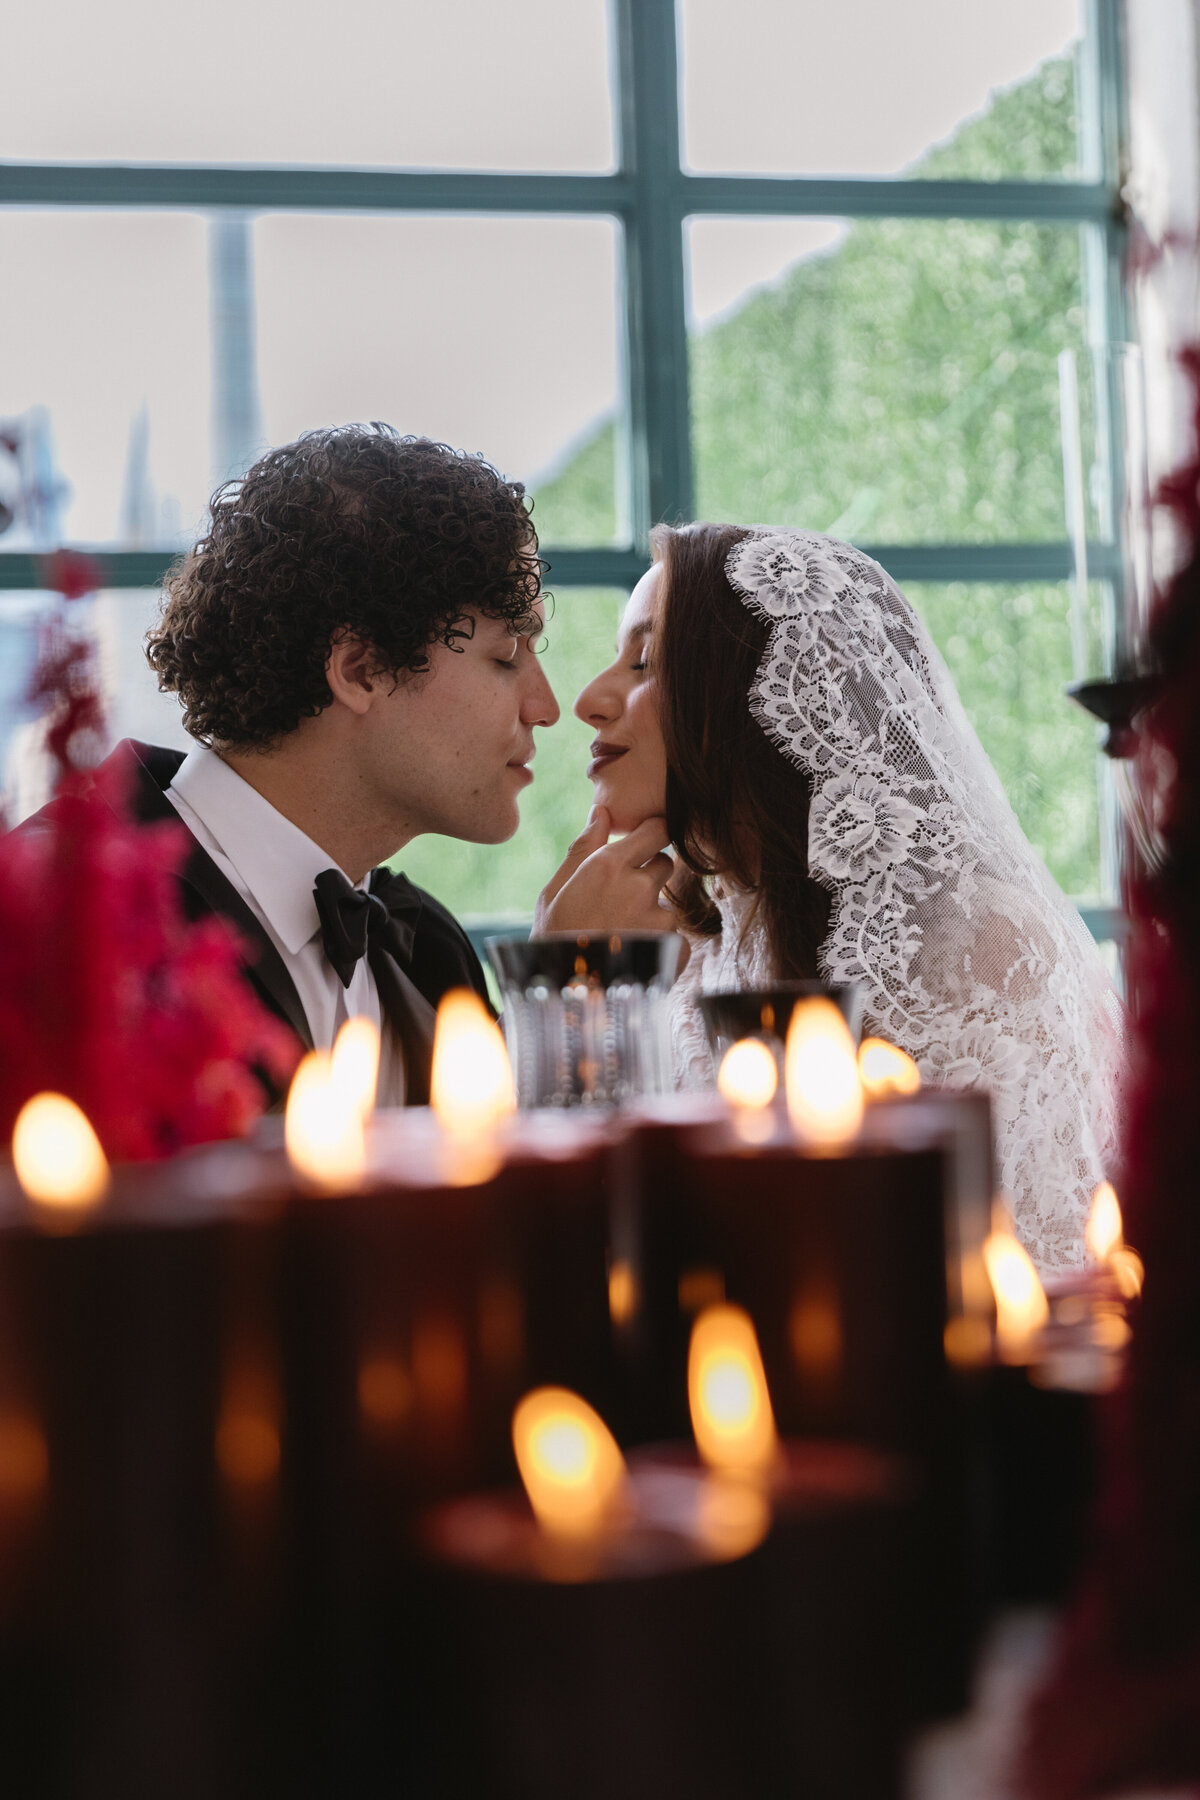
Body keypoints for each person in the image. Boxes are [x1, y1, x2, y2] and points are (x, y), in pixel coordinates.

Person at [539, 522, 1123, 1269]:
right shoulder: (683, 951)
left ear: (764, 694)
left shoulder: (972, 947)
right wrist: (575, 983)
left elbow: (1032, 1268)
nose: (588, 700)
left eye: (646, 661)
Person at [30, 426, 559, 1108]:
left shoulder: (429, 951)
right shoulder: (63, 915)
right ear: (360, 670)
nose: (546, 707)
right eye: (506, 657)